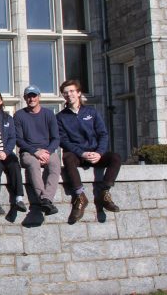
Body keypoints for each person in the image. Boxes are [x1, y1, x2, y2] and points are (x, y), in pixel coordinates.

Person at [57, 79, 121, 224]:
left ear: (78, 93)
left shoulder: (91, 112)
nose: (69, 95)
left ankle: (104, 193)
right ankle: (80, 196)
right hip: (79, 155)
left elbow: (103, 134)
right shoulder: (60, 117)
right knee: (67, 158)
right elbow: (64, 141)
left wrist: (99, 152)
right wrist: (83, 153)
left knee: (115, 157)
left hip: (96, 153)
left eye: (72, 91)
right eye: (65, 93)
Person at [14, 85, 60, 215]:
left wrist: (48, 151)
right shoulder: (19, 115)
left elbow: (56, 138)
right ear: (24, 98)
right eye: (29, 96)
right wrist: (35, 152)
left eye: (34, 96)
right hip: (28, 152)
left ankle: (46, 199)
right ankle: (43, 199)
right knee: (33, 165)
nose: (31, 99)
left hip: (47, 150)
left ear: (39, 97)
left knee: (55, 163)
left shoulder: (49, 114)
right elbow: (19, 140)